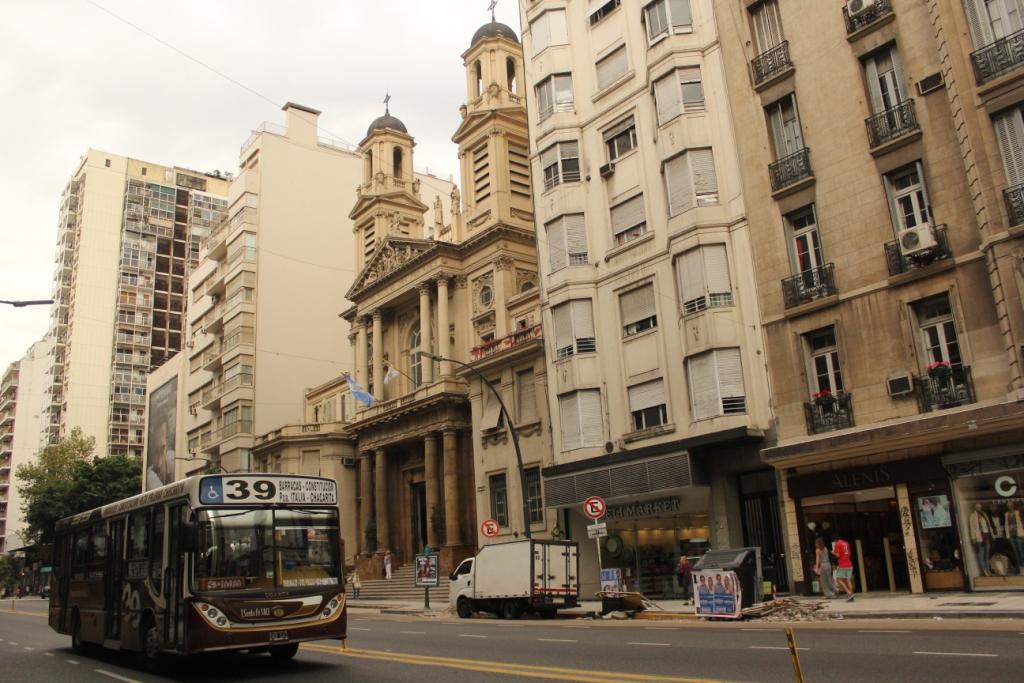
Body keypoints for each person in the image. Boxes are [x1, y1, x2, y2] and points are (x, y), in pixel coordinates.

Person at [969, 503, 993, 577]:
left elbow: (988, 524)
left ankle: (988, 569)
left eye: (980, 507)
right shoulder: (972, 516)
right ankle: (984, 571)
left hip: (986, 536)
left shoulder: (984, 515)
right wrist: (973, 537)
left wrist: (991, 533)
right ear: (975, 508)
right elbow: (972, 528)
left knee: (987, 554)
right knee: (981, 554)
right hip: (979, 537)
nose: (979, 508)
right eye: (977, 507)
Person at [832, 536, 855, 602]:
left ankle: (848, 592)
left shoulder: (837, 544)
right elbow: (849, 554)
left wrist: (833, 553)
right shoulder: (846, 543)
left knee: (838, 579)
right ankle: (851, 595)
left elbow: (838, 555)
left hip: (842, 564)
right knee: (848, 579)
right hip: (849, 563)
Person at [1005, 501, 1024, 569]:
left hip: (1019, 534)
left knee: (1021, 551)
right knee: (1016, 552)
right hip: (1011, 535)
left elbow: (1021, 522)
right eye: (1008, 505)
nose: (1010, 506)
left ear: (1013, 505)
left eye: (1011, 505)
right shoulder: (1006, 514)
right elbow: (1006, 525)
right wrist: (1008, 535)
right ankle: (1021, 567)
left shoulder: (1017, 512)